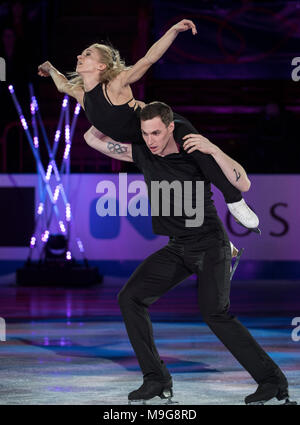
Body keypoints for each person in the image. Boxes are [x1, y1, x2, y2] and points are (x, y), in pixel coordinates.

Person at [83, 101, 294, 406]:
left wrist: (213, 148)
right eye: (145, 133)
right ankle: (156, 379)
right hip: (177, 247)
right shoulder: (142, 153)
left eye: (156, 132)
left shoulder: (194, 154)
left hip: (211, 245)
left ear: (171, 127)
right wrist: (107, 106)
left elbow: (242, 182)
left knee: (215, 313)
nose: (151, 139)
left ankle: (273, 381)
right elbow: (92, 140)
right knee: (129, 298)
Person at [37, 19, 259, 232]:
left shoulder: (115, 84)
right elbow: (63, 84)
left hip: (164, 124)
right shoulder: (81, 94)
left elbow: (148, 59)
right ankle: (212, 236)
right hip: (146, 143)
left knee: (197, 150)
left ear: (102, 65)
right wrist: (50, 67)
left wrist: (172, 30)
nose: (79, 55)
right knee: (171, 181)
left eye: (87, 54)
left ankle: (235, 200)